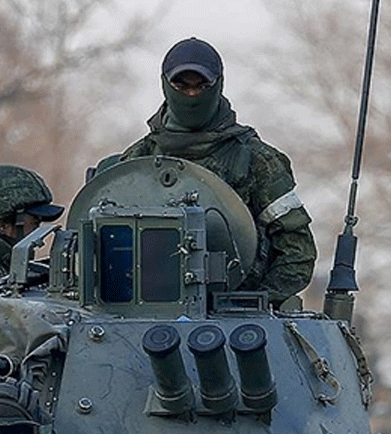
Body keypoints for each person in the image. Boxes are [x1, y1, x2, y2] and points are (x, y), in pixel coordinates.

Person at [117, 37, 316, 308]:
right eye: (181, 85)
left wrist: (255, 304)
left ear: (218, 85)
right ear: (165, 85)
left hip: (236, 317)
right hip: (142, 312)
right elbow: (109, 243)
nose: (191, 95)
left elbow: (297, 251)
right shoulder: (138, 160)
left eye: (201, 86)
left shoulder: (256, 160)